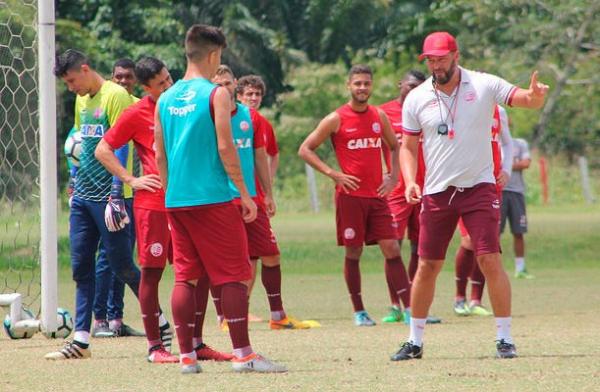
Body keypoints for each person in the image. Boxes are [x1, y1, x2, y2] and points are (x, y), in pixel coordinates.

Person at [392, 31, 548, 361]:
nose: (436, 65)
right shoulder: (416, 98)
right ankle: (414, 341)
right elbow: (407, 147)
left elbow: (523, 99)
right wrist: (408, 180)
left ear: (456, 55)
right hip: (436, 191)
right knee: (428, 266)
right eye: (430, 60)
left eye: (441, 58)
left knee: (489, 258)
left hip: (478, 188)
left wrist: (535, 96)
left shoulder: (483, 84)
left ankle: (504, 338)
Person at [154, 24, 286, 374]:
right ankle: (243, 355)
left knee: (185, 276)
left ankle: (186, 358)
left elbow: (160, 155)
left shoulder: (165, 98)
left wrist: (169, 197)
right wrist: (245, 193)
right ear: (214, 55)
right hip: (212, 198)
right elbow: (227, 147)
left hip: (176, 200)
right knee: (232, 274)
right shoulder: (216, 94)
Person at [97, 57, 231, 363]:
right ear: (146, 88)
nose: (168, 85)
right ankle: (155, 347)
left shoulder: (184, 104)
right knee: (152, 274)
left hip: (189, 202)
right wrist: (131, 179)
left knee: (200, 271)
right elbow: (103, 149)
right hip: (153, 207)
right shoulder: (136, 113)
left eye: (169, 78)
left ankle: (195, 342)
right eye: (160, 83)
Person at [46, 49, 143, 360]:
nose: (71, 87)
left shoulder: (116, 96)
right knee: (81, 268)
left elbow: (123, 144)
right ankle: (81, 340)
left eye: (72, 80)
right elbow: (81, 145)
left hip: (111, 199)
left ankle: (160, 323)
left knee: (123, 267)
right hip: (84, 199)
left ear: (85, 69)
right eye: (67, 83)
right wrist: (74, 182)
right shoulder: (81, 99)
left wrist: (117, 193)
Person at [299, 64, 408, 327]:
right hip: (350, 197)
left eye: (366, 84)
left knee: (392, 248)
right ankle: (359, 310)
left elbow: (394, 146)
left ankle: (411, 309)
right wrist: (333, 173)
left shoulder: (378, 116)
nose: (362, 88)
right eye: (357, 83)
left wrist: (392, 177)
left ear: (372, 86)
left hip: (377, 196)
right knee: (354, 251)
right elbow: (306, 149)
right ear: (349, 86)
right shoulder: (335, 118)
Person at [211, 65, 309, 331]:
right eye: (218, 84)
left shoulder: (250, 118)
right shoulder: (207, 116)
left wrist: (268, 194)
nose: (224, 89)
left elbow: (261, 157)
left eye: (228, 83)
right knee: (228, 262)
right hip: (219, 198)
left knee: (271, 255)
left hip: (251, 199)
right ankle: (224, 318)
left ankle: (278, 315)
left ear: (234, 85)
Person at [380, 70, 441, 325]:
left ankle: (415, 305)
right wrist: (383, 173)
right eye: (410, 85)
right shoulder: (383, 113)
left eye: (419, 86)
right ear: (400, 84)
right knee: (393, 246)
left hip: (427, 187)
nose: (414, 90)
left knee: (421, 248)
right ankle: (396, 305)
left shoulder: (429, 109)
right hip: (396, 190)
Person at [91, 58, 144, 338]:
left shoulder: (139, 106)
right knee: (105, 256)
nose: (123, 81)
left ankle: (116, 318)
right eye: (119, 77)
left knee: (124, 257)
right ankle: (99, 318)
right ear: (112, 78)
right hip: (105, 192)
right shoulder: (103, 102)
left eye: (128, 77)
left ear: (135, 80)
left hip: (130, 192)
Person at [453, 105, 514, 317]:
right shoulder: (459, 107)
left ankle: (476, 299)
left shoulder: (499, 111)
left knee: (486, 243)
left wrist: (506, 169)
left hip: (490, 185)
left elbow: (507, 142)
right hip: (464, 184)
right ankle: (459, 297)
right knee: (469, 240)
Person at [235, 74, 279, 322]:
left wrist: (267, 190)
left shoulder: (260, 122)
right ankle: (230, 313)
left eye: (257, 94)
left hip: (255, 197)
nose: (253, 98)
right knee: (244, 257)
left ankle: (256, 310)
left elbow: (271, 155)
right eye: (249, 94)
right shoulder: (231, 119)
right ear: (238, 96)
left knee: (258, 255)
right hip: (233, 197)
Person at [501, 137, 532, 278]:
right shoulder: (490, 141)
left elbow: (526, 163)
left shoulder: (520, 143)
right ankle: (495, 267)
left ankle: (520, 268)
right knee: (494, 233)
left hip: (516, 193)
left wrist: (505, 166)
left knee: (519, 231)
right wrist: (512, 163)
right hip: (497, 192)